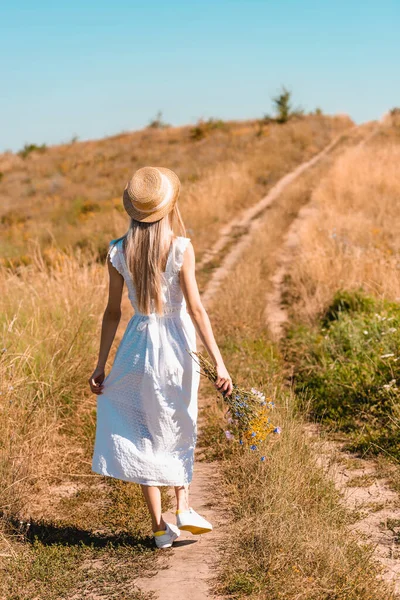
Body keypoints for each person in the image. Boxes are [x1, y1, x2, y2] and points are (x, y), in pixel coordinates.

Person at [89, 166, 233, 549]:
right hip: (177, 343)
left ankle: (158, 529)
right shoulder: (181, 248)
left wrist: (101, 365)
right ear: (168, 206)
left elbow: (112, 313)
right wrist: (219, 362)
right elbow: (198, 310)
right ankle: (183, 506)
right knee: (179, 420)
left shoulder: (118, 251)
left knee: (141, 431)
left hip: (138, 343)